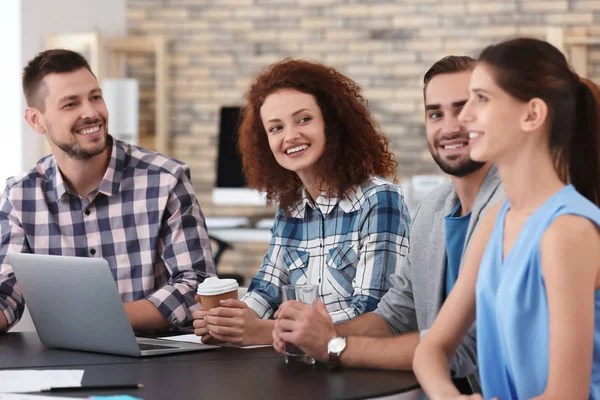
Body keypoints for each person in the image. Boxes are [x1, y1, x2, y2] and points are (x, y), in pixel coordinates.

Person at [272, 56, 504, 392]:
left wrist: (336, 345)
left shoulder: (513, 209)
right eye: (436, 114)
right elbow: (395, 317)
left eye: (464, 109)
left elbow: (465, 348)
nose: (451, 126)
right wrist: (315, 333)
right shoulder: (432, 211)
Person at [413, 38, 600, 400]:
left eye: (481, 99)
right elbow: (432, 348)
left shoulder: (568, 231)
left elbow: (567, 395)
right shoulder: (498, 219)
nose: (465, 118)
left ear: (531, 114)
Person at [192, 58, 411, 345]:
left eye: (304, 119)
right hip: (302, 362)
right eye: (276, 128)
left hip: (359, 367)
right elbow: (267, 290)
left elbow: (376, 316)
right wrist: (230, 320)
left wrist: (266, 331)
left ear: (332, 124)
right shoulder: (290, 208)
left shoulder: (379, 200)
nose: (291, 136)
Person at [0, 49, 216, 333]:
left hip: (158, 360)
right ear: (36, 120)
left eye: (95, 97)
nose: (91, 113)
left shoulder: (165, 180)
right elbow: (6, 294)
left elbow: (198, 286)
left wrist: (99, 319)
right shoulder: (20, 196)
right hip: (65, 358)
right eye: (70, 104)